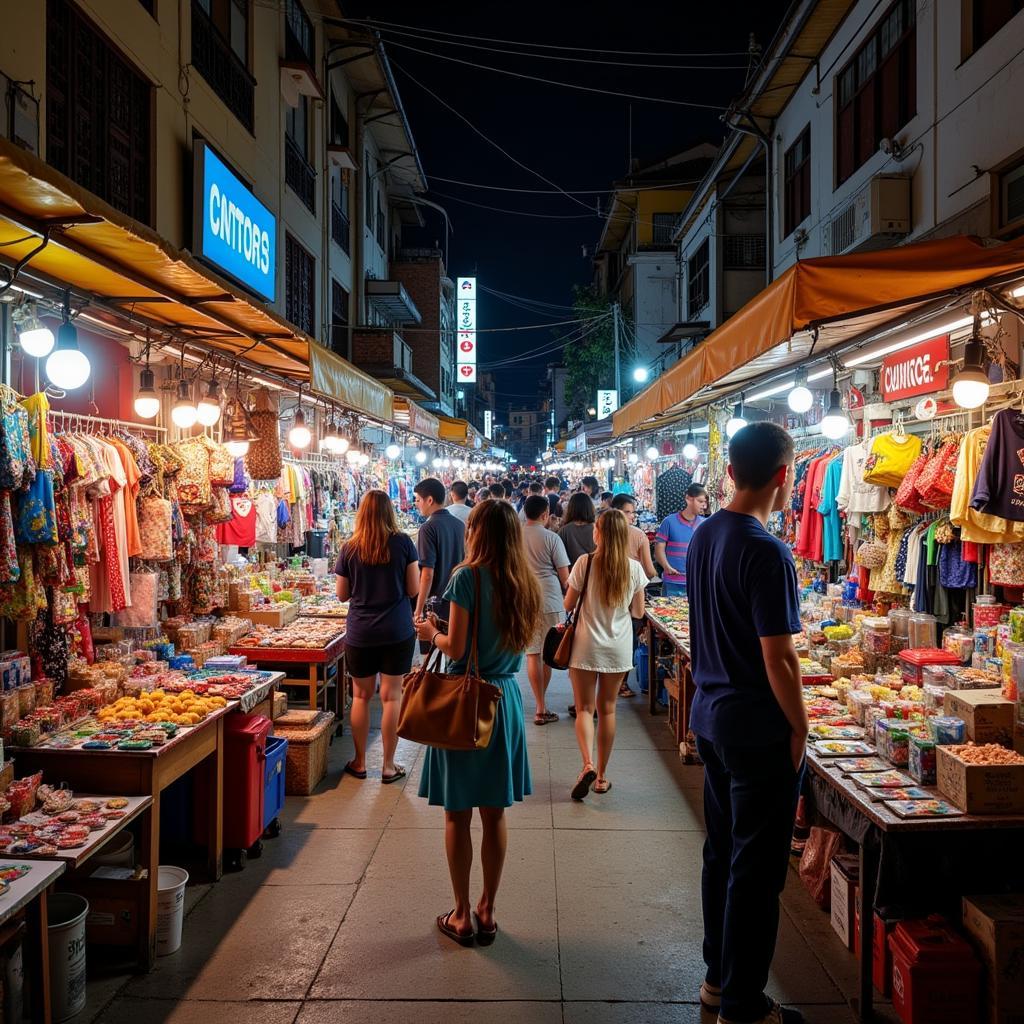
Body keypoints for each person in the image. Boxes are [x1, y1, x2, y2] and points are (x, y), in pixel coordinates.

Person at [685, 422, 807, 1024]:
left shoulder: (705, 534)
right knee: (757, 871)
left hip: (711, 720)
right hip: (756, 729)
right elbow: (778, 656)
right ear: (784, 476)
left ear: (730, 471)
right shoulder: (766, 550)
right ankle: (743, 1003)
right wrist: (801, 728)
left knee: (723, 855)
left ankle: (717, 980)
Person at [415, 500, 541, 947]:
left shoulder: (466, 578)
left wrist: (432, 632)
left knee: (457, 813)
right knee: (494, 812)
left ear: (477, 533)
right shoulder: (523, 583)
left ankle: (463, 913)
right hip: (502, 699)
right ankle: (488, 907)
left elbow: (456, 646)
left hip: (465, 700)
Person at [334, 489, 419, 783]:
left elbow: (342, 595)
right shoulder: (403, 543)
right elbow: (413, 589)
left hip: (361, 631)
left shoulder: (349, 548)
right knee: (391, 697)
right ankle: (388, 765)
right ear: (389, 511)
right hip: (397, 629)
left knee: (360, 696)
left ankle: (359, 762)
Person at [562, 509, 647, 800]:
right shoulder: (634, 569)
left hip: (585, 644)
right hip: (618, 646)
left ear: (598, 532)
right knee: (608, 709)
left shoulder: (585, 563)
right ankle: (601, 777)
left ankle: (586, 763)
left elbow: (568, 603)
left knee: (584, 709)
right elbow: (638, 612)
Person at [521, 494, 571, 724]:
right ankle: (542, 707)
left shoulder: (513, 537)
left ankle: (539, 707)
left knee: (532, 653)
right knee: (547, 654)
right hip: (550, 599)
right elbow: (565, 577)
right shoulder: (552, 538)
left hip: (524, 600)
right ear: (544, 514)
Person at [611, 493, 657, 698]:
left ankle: (608, 680)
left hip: (608, 591)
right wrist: (652, 573)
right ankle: (621, 683)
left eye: (633, 512)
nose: (632, 516)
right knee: (628, 638)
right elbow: (649, 569)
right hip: (632, 594)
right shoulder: (639, 535)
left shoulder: (603, 531)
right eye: (627, 512)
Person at [413, 478, 466, 626]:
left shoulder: (428, 528)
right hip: (457, 599)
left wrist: (418, 610)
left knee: (430, 647)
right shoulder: (459, 525)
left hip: (434, 604)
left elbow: (427, 574)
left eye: (418, 500)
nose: (416, 504)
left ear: (429, 500)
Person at [655, 483, 708, 597]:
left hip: (696, 582)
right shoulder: (668, 522)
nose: (704, 506)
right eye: (700, 501)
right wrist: (666, 566)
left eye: (705, 502)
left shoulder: (704, 524)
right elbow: (659, 550)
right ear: (688, 499)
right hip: (672, 583)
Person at [558, 492, 597, 567]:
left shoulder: (564, 531)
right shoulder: (597, 529)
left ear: (570, 508)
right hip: (594, 572)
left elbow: (559, 558)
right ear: (590, 507)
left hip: (572, 574)